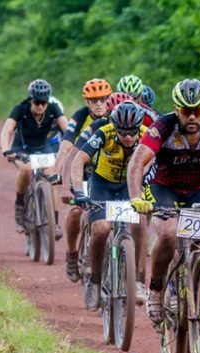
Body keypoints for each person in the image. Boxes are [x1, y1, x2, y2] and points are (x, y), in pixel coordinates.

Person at [126, 78, 200, 327]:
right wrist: (136, 197)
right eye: (185, 111)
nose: (192, 117)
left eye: (198, 111)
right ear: (176, 108)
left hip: (199, 189)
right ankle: (156, 289)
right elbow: (137, 162)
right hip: (164, 187)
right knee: (169, 233)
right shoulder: (163, 127)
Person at [67, 101, 148, 310]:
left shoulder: (148, 135)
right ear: (115, 126)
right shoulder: (104, 133)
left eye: (133, 131)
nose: (128, 137)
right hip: (103, 185)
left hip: (130, 186)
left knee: (140, 224)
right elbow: (79, 161)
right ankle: (94, 280)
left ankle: (138, 280)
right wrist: (78, 190)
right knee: (101, 228)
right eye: (123, 131)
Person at [58, 78, 113, 283]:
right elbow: (68, 150)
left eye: (102, 99)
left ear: (109, 99)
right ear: (87, 102)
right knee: (76, 210)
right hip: (83, 171)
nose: (98, 103)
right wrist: (64, 183)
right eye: (93, 100)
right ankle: (72, 254)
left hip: (106, 174)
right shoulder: (81, 117)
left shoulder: (118, 118)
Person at [0, 79, 68, 237]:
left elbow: (67, 128)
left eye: (43, 102)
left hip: (43, 148)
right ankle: (20, 208)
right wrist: (6, 149)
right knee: (27, 170)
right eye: (37, 102)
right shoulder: (20, 108)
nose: (40, 106)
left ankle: (54, 222)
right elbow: (7, 130)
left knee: (54, 178)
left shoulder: (53, 108)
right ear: (31, 100)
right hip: (21, 148)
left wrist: (74, 147)